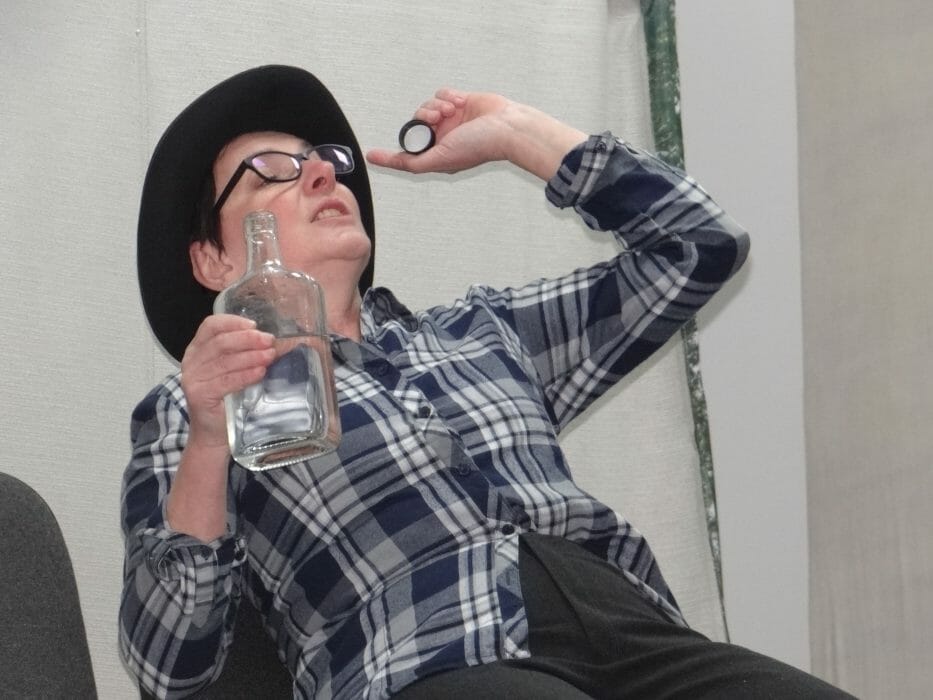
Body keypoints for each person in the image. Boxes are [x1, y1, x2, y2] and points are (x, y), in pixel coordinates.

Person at [120, 65, 850, 699]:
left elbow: (701, 247)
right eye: (272, 169)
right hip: (425, 656)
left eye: (326, 160)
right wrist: (209, 440)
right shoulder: (194, 407)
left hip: (633, 627)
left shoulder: (482, 330)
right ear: (212, 261)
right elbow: (168, 664)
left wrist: (518, 135)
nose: (323, 174)